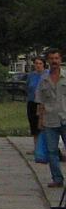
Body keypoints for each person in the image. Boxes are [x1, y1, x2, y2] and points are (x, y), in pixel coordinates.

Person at [36, 48, 66, 188]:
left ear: (60, 60)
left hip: (65, 118)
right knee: (52, 151)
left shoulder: (65, 77)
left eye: (57, 58)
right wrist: (40, 120)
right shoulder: (44, 80)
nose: (54, 61)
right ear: (48, 61)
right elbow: (41, 102)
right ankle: (57, 178)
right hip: (50, 120)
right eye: (52, 59)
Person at [26, 56, 48, 149]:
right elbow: (27, 87)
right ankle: (36, 147)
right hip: (32, 102)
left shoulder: (47, 74)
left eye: (40, 63)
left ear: (44, 65)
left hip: (43, 103)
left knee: (42, 124)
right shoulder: (31, 75)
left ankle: (45, 146)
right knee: (34, 124)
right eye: (36, 63)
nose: (38, 65)